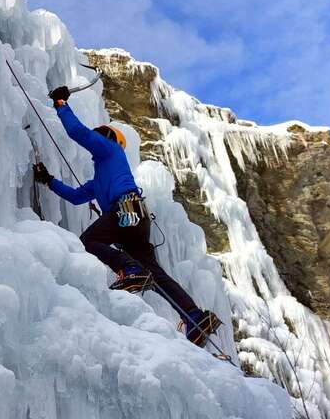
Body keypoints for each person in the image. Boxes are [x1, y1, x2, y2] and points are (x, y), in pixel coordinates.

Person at [32, 85, 222, 347]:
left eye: (100, 137)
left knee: (88, 241)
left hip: (125, 210)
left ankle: (128, 268)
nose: (94, 142)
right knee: (155, 274)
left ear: (109, 138)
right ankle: (194, 316)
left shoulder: (111, 150)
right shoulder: (99, 179)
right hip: (136, 219)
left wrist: (61, 104)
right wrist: (49, 181)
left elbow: (78, 132)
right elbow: (76, 196)